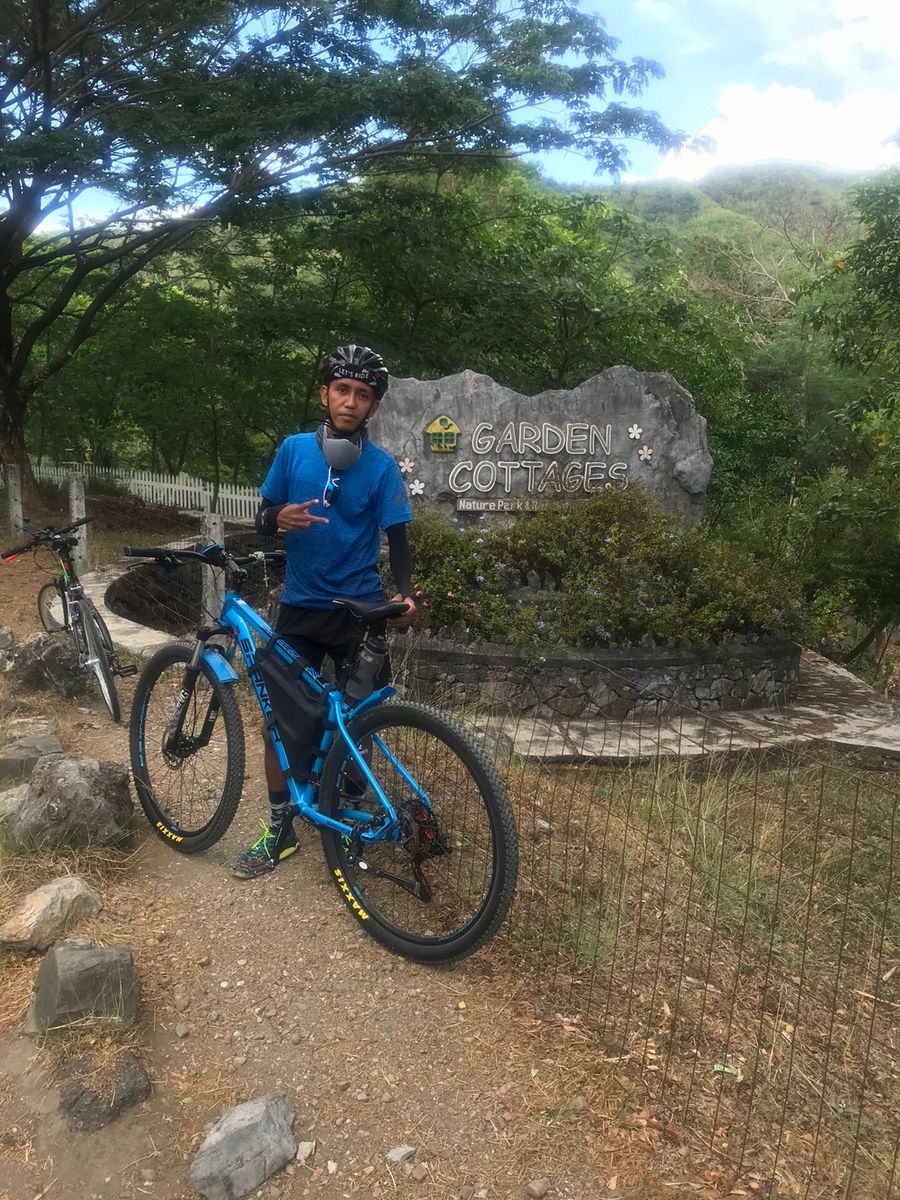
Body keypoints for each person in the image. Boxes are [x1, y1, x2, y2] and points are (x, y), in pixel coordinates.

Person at [231, 344, 416, 879]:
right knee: (278, 725)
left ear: (373, 406)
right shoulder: (293, 451)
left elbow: (399, 539)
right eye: (342, 390)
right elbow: (264, 512)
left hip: (361, 612)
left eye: (362, 394)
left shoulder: (381, 468)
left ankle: (349, 824)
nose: (351, 402)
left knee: (361, 727)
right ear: (325, 394)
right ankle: (279, 829)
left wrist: (404, 593)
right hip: (301, 609)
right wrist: (275, 519)